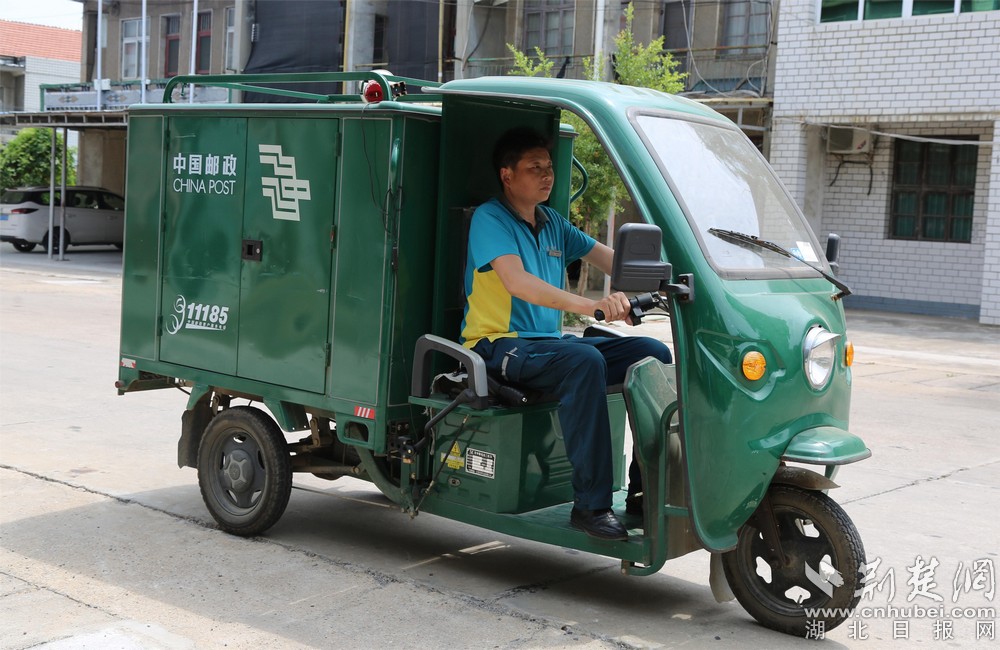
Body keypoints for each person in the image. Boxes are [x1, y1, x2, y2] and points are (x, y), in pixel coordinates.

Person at [460, 127, 672, 541]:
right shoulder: (491, 218)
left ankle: (644, 490)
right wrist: (592, 306)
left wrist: (668, 279)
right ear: (507, 175)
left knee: (651, 353)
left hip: (548, 347)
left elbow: (611, 260)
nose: (547, 175)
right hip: (499, 345)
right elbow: (518, 283)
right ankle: (591, 506)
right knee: (584, 359)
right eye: (534, 167)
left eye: (549, 167)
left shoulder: (552, 222)